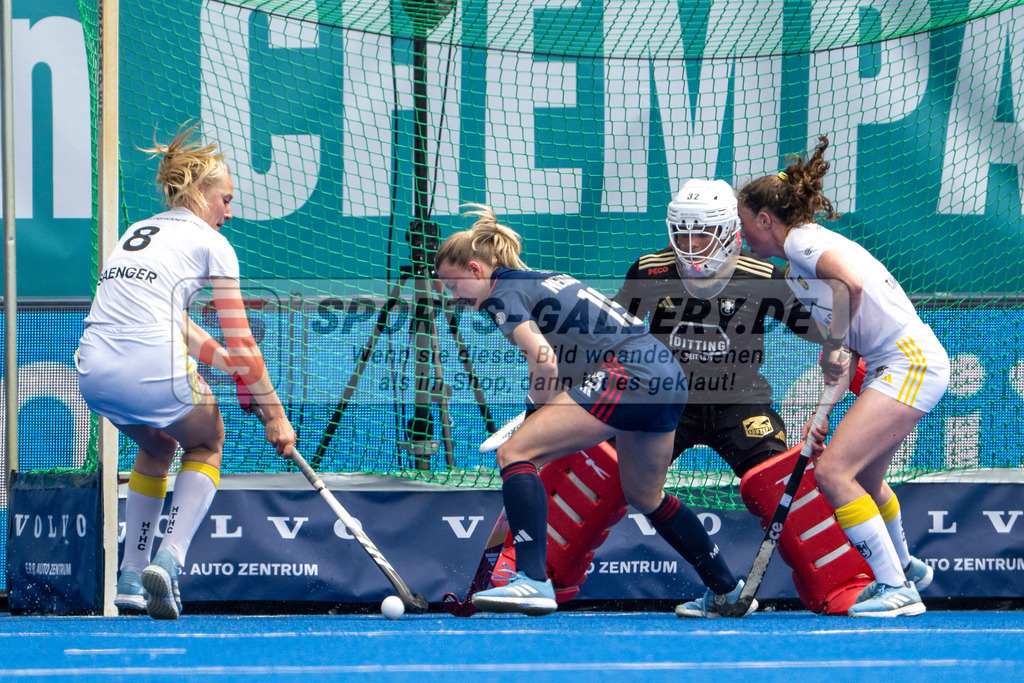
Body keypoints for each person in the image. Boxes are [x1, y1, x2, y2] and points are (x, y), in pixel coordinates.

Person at [435, 204, 756, 618]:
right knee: (646, 495)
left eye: (451, 283)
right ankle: (726, 590)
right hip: (667, 376)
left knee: (515, 453)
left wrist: (535, 412)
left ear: (477, 270)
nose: (452, 296)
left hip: (629, 372)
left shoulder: (501, 293)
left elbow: (544, 358)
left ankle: (531, 582)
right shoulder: (544, 280)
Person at [75, 123, 295, 620]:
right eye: (226, 199)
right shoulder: (213, 245)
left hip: (93, 372)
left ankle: (131, 578)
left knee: (157, 444)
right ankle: (170, 561)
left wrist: (237, 372)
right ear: (199, 193)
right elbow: (242, 341)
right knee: (206, 440)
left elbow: (181, 324)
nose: (229, 213)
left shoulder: (138, 233)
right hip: (153, 370)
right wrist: (274, 412)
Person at [736, 135, 950, 617]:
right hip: (889, 363)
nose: (745, 235)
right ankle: (904, 565)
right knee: (868, 478)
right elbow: (846, 348)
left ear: (766, 219)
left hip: (908, 361)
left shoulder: (804, 241)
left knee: (833, 473)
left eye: (747, 224)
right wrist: (823, 412)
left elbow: (848, 286)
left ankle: (894, 586)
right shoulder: (794, 269)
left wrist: (833, 343)